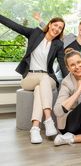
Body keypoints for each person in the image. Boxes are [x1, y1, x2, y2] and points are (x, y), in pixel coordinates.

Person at [0, 14, 67, 144]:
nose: (57, 29)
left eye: (60, 28)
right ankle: (48, 120)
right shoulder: (35, 33)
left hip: (48, 79)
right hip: (29, 77)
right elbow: (15, 26)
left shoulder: (58, 44)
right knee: (43, 80)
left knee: (40, 87)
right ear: (49, 24)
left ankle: (35, 128)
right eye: (55, 25)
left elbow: (62, 64)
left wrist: (70, 81)